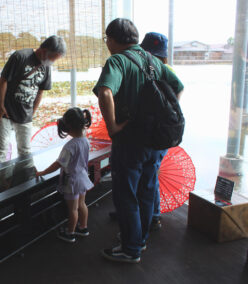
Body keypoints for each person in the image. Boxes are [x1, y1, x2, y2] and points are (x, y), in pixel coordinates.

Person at [94, 18, 184, 263]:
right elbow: (178, 87)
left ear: (112, 39)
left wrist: (113, 127)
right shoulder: (153, 60)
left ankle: (130, 248)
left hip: (130, 140)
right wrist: (161, 113)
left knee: (125, 194)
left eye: (107, 39)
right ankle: (140, 240)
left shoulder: (118, 61)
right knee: (146, 191)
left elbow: (105, 91)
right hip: (155, 141)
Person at [0, 35, 66, 165]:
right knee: (1, 149)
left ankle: (25, 181)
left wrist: (32, 112)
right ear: (44, 51)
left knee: (25, 150)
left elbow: (40, 91)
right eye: (53, 58)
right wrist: (0, 105)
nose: (52, 62)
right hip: (6, 110)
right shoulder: (20, 56)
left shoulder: (46, 66)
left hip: (25, 112)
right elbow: (3, 80)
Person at [36, 108, 93, 243]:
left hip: (71, 181)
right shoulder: (85, 140)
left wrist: (43, 172)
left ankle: (70, 233)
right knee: (82, 204)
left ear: (68, 126)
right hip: (83, 178)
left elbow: (58, 164)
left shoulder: (69, 146)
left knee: (73, 209)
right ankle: (83, 228)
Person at [140, 32, 175, 231]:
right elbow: (178, 91)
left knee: (149, 176)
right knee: (152, 172)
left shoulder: (155, 70)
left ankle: (152, 215)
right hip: (165, 131)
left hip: (156, 131)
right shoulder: (167, 70)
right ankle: (154, 213)